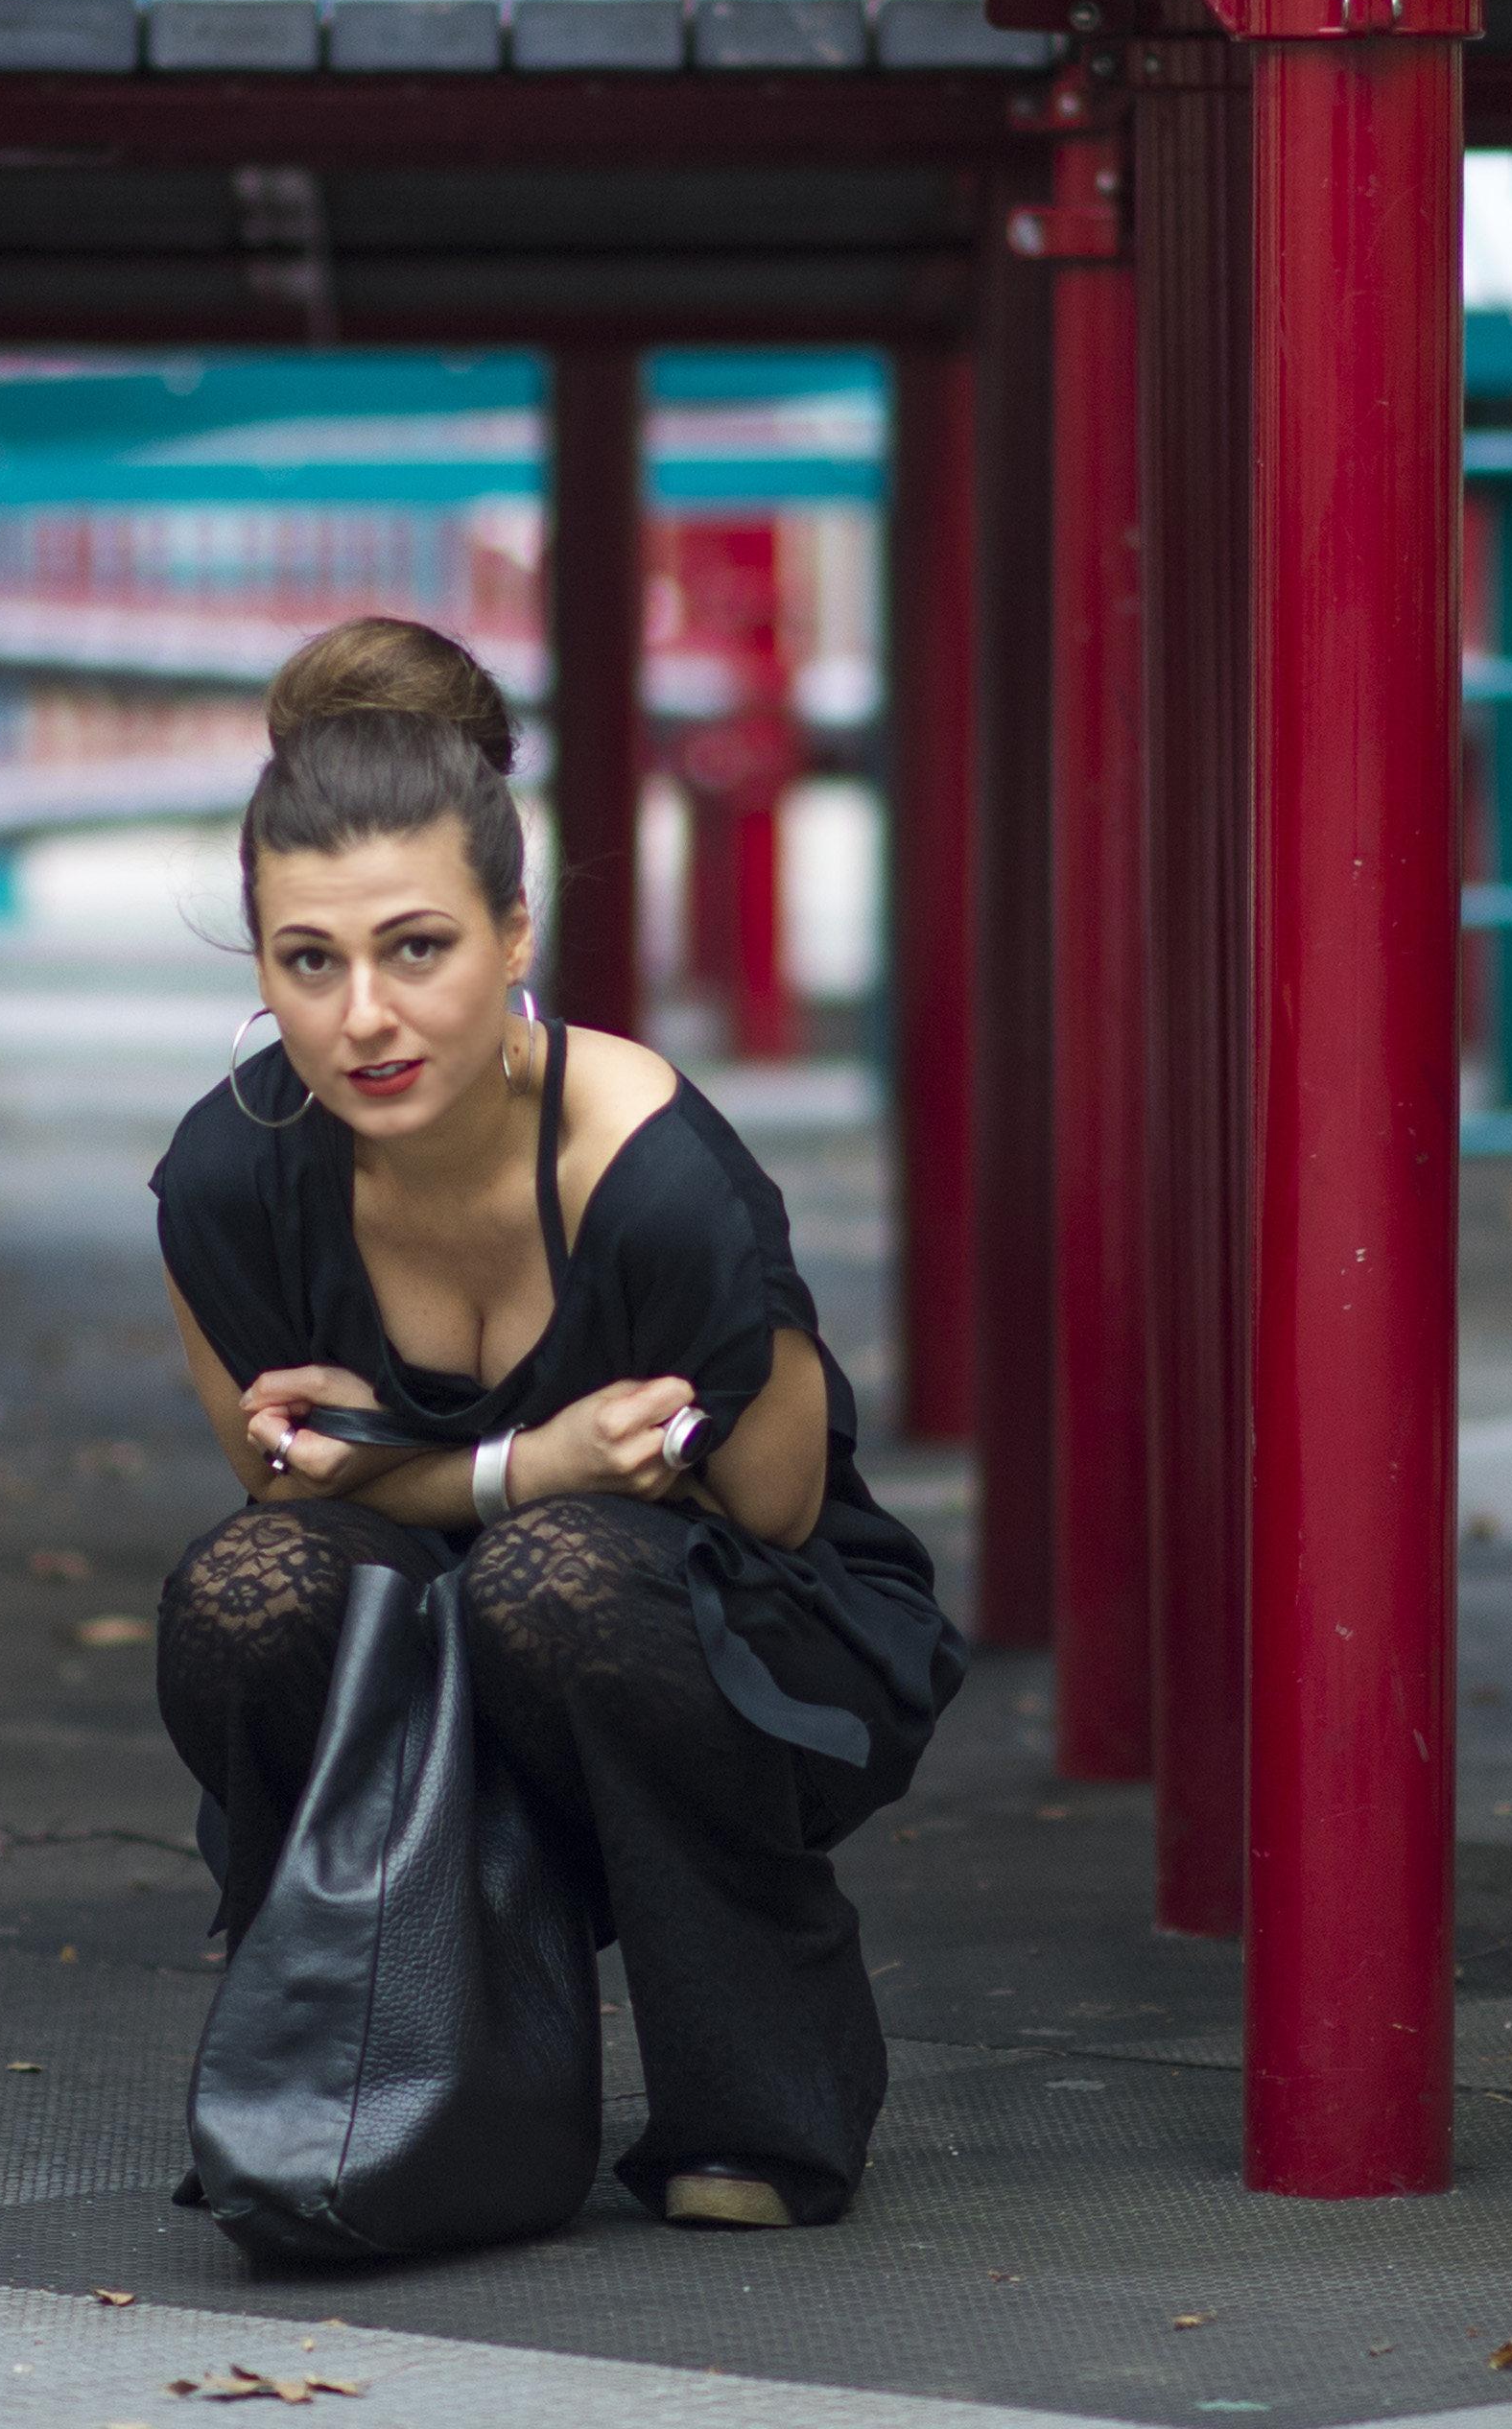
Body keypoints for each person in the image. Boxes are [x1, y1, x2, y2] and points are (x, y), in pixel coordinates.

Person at [151, 616, 964, 2234]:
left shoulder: (646, 1165)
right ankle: (337, 2066)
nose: (365, 1017)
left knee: (567, 1578)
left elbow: (780, 1503)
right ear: (259, 966)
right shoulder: (232, 1177)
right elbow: (292, 1489)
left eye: (417, 949)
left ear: (516, 931)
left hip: (733, 1642)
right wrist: (535, 1464)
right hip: (448, 1625)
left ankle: (762, 2086)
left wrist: (476, 1480)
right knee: (254, 1592)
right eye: (310, 962)